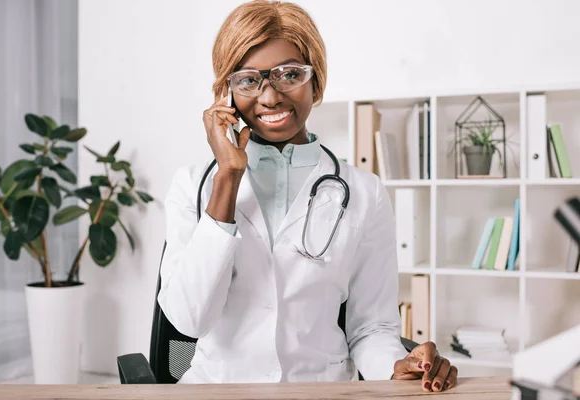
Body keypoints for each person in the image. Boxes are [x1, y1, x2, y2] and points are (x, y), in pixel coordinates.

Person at [158, 0, 458, 392]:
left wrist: (398, 364)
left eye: (289, 75)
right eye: (248, 80)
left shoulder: (365, 193)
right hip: (217, 388)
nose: (270, 97)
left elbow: (371, 327)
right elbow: (188, 320)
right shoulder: (192, 185)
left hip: (324, 389)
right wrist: (228, 177)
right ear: (226, 93)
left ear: (315, 82)